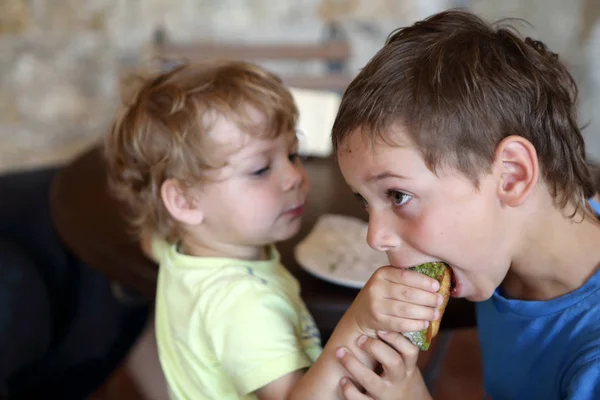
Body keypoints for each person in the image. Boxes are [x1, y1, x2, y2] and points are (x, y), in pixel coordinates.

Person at [104, 60, 444, 399]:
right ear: (185, 202)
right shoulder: (246, 306)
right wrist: (358, 322)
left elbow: (151, 242)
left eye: (294, 154)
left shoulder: (181, 249)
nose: (294, 176)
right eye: (260, 169)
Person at [323, 9, 600, 400]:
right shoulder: (500, 249)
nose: (375, 236)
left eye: (398, 195)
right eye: (367, 204)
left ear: (512, 175)